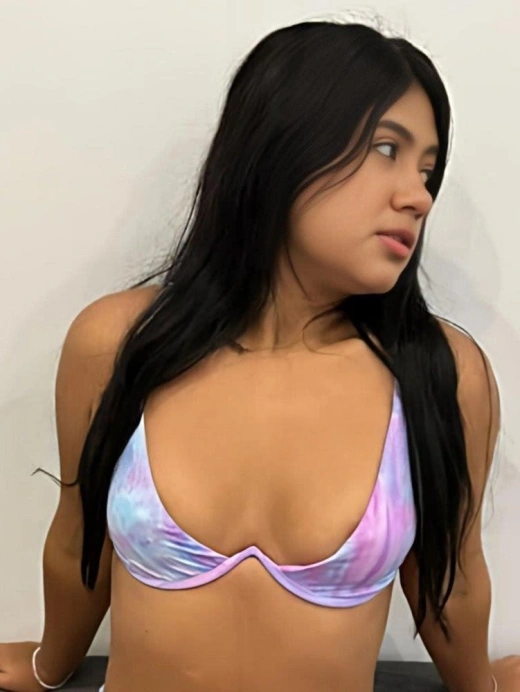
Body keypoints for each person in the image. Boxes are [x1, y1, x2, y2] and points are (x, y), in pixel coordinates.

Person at [0, 18, 519, 692]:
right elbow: (78, 543)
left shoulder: (442, 375)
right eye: (387, 149)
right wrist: (47, 667)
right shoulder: (117, 342)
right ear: (281, 144)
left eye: (427, 170)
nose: (418, 196)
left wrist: (484, 686)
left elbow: (454, 580)